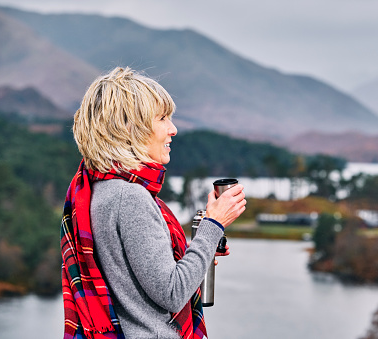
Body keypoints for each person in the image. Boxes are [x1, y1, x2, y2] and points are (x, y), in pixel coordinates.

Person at [61, 67, 246, 339]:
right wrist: (213, 224)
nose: (173, 129)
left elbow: (135, 279)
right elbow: (172, 293)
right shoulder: (130, 197)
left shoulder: (96, 189)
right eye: (162, 118)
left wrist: (200, 252)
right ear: (128, 127)